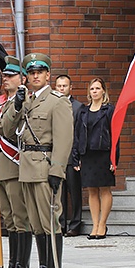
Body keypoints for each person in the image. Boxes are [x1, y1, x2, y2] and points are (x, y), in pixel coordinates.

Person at [1, 53, 73, 268]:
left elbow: (64, 140)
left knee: (49, 222)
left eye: (39, 72)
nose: (35, 76)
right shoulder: (26, 101)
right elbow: (7, 130)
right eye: (31, 73)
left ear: (48, 75)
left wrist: (57, 170)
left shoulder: (57, 101)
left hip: (45, 167)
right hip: (26, 168)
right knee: (36, 224)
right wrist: (18, 105)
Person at [0, 57, 31, 268]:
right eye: (5, 75)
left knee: (20, 221)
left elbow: (5, 128)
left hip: (15, 167)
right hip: (1, 169)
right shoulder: (4, 104)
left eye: (11, 76)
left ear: (22, 79)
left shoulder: (22, 102)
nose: (5, 78)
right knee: (9, 222)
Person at [72, 77, 116, 240]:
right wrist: (76, 156)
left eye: (97, 88)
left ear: (103, 90)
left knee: (104, 188)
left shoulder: (109, 110)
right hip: (87, 153)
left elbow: (115, 135)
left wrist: (114, 158)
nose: (95, 91)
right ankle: (95, 224)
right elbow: (77, 134)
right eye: (92, 89)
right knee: (91, 189)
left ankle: (103, 224)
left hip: (104, 152)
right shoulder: (83, 111)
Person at [54, 74, 84, 237]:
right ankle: (61, 223)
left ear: (70, 88)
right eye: (59, 86)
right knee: (59, 192)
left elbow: (79, 134)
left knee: (74, 191)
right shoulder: (53, 106)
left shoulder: (78, 107)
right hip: (57, 156)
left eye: (64, 86)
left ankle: (76, 224)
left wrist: (77, 156)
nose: (61, 89)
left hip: (72, 156)